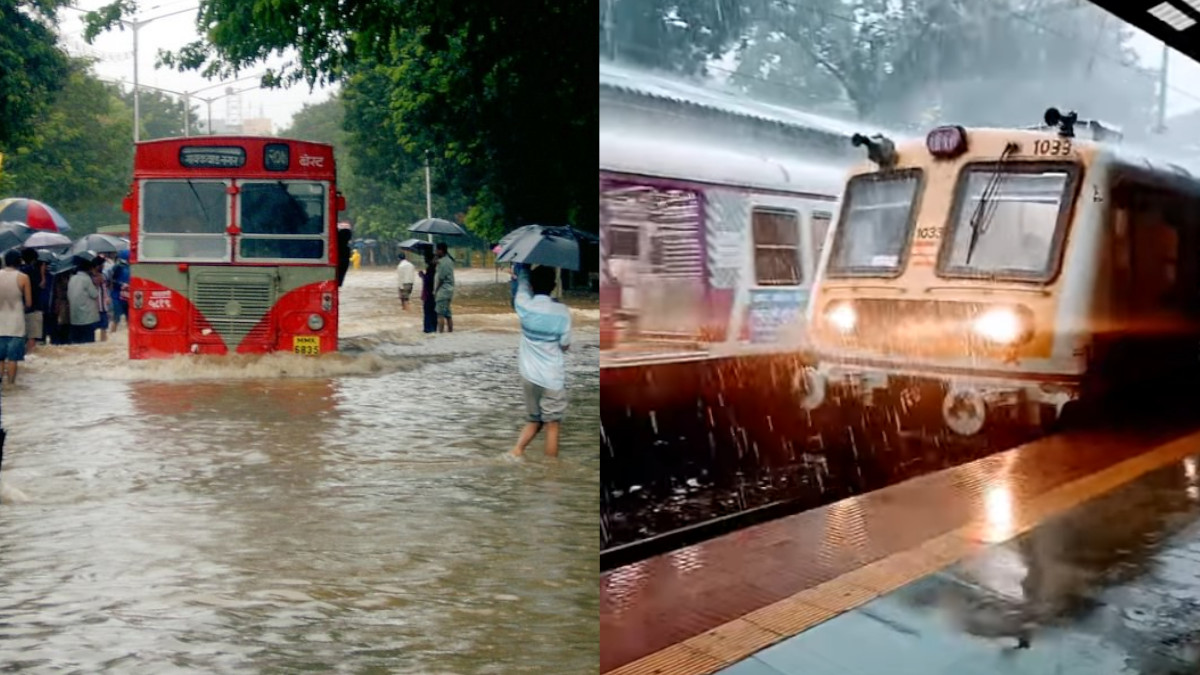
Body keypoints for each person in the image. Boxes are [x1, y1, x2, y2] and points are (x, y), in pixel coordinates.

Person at [510, 264, 572, 458]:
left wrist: (524, 267)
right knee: (552, 425)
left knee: (534, 420)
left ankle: (516, 452)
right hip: (552, 377)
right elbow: (565, 345)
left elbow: (521, 282)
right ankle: (550, 472)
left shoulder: (524, 305)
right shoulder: (562, 311)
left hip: (528, 375)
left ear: (532, 286)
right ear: (554, 285)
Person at [0, 251, 32, 386]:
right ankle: (11, 385)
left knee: (0, 358)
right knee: (13, 358)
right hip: (17, 323)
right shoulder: (23, 278)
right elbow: (29, 303)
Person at [67, 259, 100, 344]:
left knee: (77, 344)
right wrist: (96, 284)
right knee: (88, 344)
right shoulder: (86, 279)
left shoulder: (72, 278)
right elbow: (94, 294)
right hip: (87, 317)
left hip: (74, 317)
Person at [19, 248, 44, 353]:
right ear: (34, 259)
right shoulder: (33, 271)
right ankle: (30, 358)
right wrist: (42, 273)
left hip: (19, 308)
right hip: (33, 307)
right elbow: (41, 285)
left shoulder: (19, 271)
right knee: (32, 337)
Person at [434, 242, 455, 333]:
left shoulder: (443, 262)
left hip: (443, 291)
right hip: (449, 291)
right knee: (448, 314)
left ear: (440, 250)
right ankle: (450, 332)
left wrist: (436, 290)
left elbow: (441, 279)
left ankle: (441, 334)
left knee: (440, 314)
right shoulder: (449, 260)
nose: (435, 252)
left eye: (437, 250)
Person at [109, 250, 131, 333]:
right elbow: (112, 281)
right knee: (117, 317)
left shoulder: (129, 267)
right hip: (118, 296)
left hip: (125, 296)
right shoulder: (118, 267)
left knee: (127, 318)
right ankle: (113, 332)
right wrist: (122, 284)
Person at [419, 251, 437, 334]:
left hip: (429, 293)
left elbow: (429, 281)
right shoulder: (435, 268)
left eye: (425, 258)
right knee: (433, 312)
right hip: (433, 293)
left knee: (428, 312)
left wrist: (422, 275)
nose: (425, 260)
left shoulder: (431, 269)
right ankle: (433, 329)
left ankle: (428, 329)